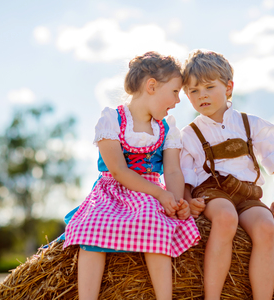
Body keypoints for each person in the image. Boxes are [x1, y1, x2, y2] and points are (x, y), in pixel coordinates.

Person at [63, 51, 201, 300]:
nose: (178, 100)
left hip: (150, 192)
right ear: (151, 86)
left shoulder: (167, 127)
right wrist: (160, 193)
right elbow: (118, 170)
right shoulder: (111, 119)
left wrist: (176, 200)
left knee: (155, 221)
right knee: (93, 227)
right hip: (112, 191)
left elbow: (171, 169)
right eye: (174, 91)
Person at [180, 49, 274, 300]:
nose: (202, 95)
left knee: (265, 227)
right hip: (212, 192)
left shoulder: (251, 125)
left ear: (229, 87)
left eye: (209, 87)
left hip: (247, 193)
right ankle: (213, 297)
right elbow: (186, 175)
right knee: (225, 217)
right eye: (194, 91)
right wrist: (189, 200)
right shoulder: (188, 135)